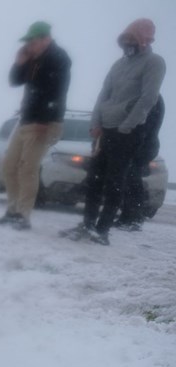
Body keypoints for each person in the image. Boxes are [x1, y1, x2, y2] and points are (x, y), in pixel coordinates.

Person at [61, 18, 166, 245]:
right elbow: (103, 94)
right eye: (124, 40)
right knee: (94, 179)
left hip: (127, 132)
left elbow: (148, 98)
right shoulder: (118, 65)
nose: (127, 44)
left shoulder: (154, 63)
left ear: (143, 40)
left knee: (114, 182)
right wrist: (95, 124)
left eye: (132, 40)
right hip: (105, 130)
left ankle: (102, 230)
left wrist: (127, 126)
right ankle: (87, 225)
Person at [0, 21, 71, 231]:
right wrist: (19, 62)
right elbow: (14, 81)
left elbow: (57, 92)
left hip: (44, 123)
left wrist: (45, 120)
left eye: (32, 41)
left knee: (27, 168)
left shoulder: (58, 58)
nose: (29, 45)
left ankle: (22, 216)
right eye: (27, 42)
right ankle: (12, 211)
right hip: (26, 120)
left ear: (45, 39)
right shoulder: (33, 58)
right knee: (9, 165)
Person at [115, 96, 165, 230]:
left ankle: (133, 217)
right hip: (143, 143)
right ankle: (129, 216)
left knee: (131, 178)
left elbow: (144, 125)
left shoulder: (150, 97)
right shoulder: (150, 97)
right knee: (130, 178)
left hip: (143, 144)